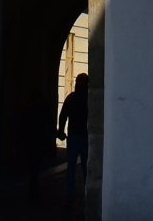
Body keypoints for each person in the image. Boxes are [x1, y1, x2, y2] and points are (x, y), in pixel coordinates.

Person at [58, 73, 90, 211]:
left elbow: (63, 115)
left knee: (71, 168)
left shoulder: (71, 98)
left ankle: (69, 196)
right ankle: (88, 194)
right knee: (86, 168)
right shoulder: (89, 99)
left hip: (73, 137)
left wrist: (60, 131)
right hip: (85, 136)